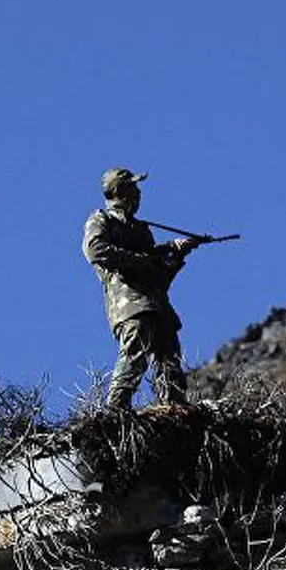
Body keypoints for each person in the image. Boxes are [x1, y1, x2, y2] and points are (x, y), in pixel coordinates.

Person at [82, 168, 199, 411]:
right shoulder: (102, 220)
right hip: (130, 306)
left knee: (170, 359)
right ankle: (116, 411)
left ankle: (173, 410)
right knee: (135, 354)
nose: (139, 193)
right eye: (134, 187)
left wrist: (175, 257)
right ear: (120, 191)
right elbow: (95, 250)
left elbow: (158, 278)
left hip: (158, 306)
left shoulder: (141, 230)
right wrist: (141, 259)